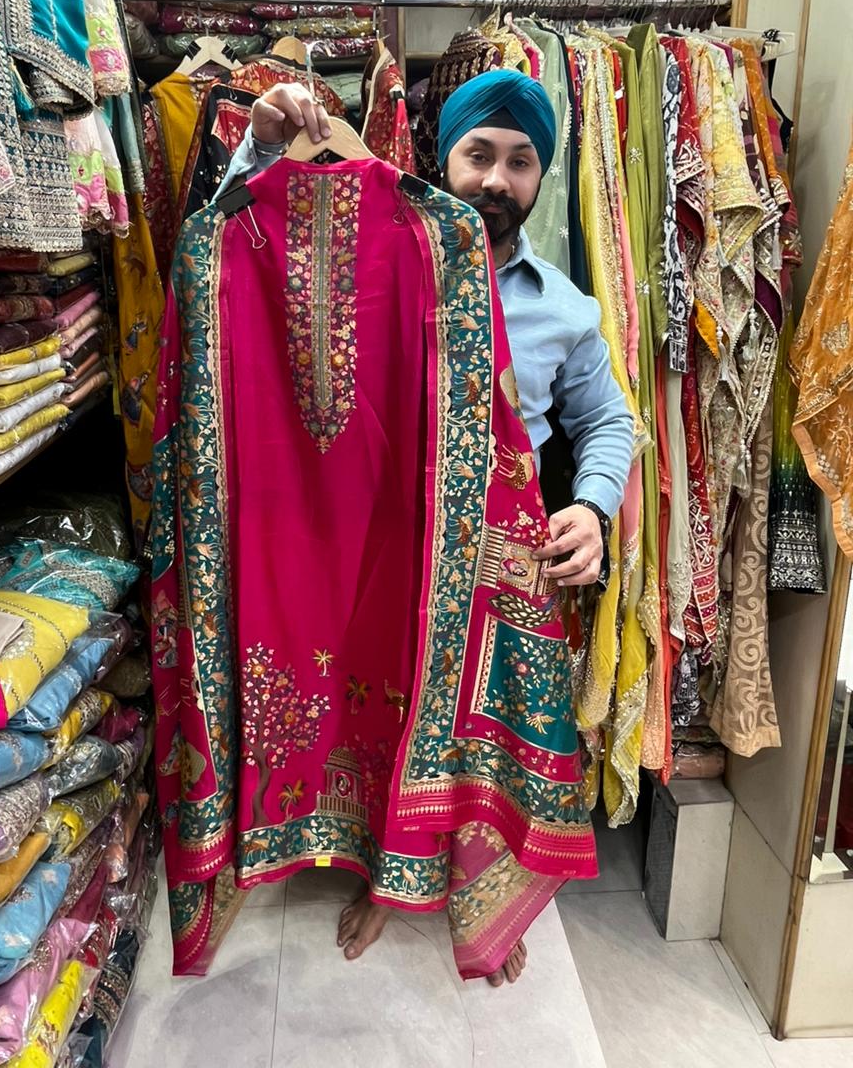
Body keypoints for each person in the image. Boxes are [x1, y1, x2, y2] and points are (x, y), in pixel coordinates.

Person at [215, 66, 634, 985]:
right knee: (388, 715)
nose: (496, 179)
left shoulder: (563, 307)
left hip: (489, 559)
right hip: (388, 545)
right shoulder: (384, 257)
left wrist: (592, 503)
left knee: (479, 735)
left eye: (520, 162)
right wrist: (259, 149)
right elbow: (236, 256)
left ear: (542, 178)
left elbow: (609, 420)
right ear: (443, 157)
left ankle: (480, 889)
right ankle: (386, 878)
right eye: (479, 154)